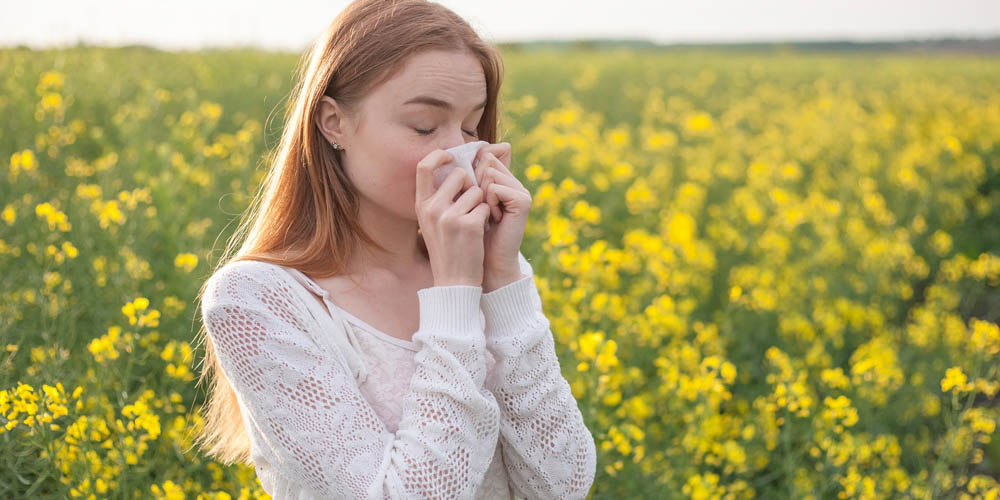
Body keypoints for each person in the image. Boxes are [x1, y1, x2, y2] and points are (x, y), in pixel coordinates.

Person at [194, 0, 597, 498]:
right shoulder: (256, 300)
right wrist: (454, 294)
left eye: (472, 128)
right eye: (424, 127)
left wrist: (503, 280)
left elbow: (562, 487)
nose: (457, 153)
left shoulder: (485, 274)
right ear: (333, 123)